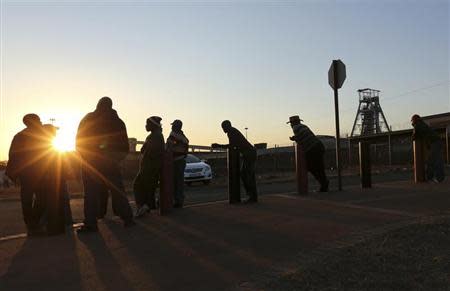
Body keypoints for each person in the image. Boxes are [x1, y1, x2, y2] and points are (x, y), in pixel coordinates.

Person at [76, 97, 135, 233]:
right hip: (111, 164)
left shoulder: (89, 119)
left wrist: (87, 158)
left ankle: (91, 223)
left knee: (91, 194)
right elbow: (124, 147)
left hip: (91, 164)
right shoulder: (118, 122)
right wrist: (115, 160)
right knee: (118, 192)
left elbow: (79, 141)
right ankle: (128, 219)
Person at [5, 114, 47, 236]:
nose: (40, 121)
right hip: (31, 173)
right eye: (38, 120)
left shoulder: (34, 135)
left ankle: (33, 224)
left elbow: (13, 156)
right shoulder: (23, 136)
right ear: (32, 122)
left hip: (34, 173)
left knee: (34, 199)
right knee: (34, 199)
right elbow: (14, 156)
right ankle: (33, 226)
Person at [212, 120, 257, 203]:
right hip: (249, 154)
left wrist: (218, 145)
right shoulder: (232, 131)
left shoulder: (231, 132)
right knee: (247, 175)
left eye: (223, 127)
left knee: (246, 175)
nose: (223, 130)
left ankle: (252, 196)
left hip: (249, 154)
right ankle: (252, 196)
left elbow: (232, 145)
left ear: (227, 126)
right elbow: (234, 145)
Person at [287, 115, 329, 192]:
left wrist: (294, 138)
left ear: (293, 123)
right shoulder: (303, 126)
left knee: (310, 167)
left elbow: (299, 138)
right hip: (319, 146)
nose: (291, 125)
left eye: (291, 123)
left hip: (312, 149)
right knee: (320, 167)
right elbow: (303, 135)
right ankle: (324, 183)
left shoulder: (296, 128)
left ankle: (324, 183)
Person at [134, 116, 165, 217]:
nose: (146, 126)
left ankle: (145, 206)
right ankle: (146, 206)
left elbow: (150, 152)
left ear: (153, 125)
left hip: (150, 167)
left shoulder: (156, 136)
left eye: (147, 124)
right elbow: (144, 149)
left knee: (141, 186)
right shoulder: (153, 135)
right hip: (147, 167)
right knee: (145, 187)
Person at [411, 114, 445, 183]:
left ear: (415, 120)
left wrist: (414, 128)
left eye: (412, 121)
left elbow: (414, 137)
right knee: (438, 161)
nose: (412, 123)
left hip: (435, 143)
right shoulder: (423, 124)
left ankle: (431, 178)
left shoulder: (418, 125)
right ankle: (439, 178)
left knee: (431, 161)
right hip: (437, 142)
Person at [166, 119, 189, 208]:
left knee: (177, 182)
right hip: (178, 160)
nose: (171, 127)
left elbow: (169, 145)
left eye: (173, 125)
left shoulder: (175, 134)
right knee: (177, 182)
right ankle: (177, 200)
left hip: (177, 161)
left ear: (176, 126)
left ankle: (178, 201)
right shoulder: (181, 135)